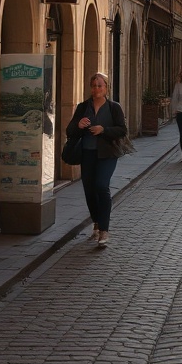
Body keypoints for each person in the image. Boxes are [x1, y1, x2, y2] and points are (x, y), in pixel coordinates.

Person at [66, 72, 127, 248]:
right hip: (87, 153)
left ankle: (104, 230)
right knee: (89, 191)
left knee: (101, 186)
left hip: (107, 154)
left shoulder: (114, 107)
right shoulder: (83, 107)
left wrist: (104, 130)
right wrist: (78, 125)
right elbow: (70, 131)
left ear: (106, 87)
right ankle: (96, 221)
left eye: (100, 85)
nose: (96, 88)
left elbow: (122, 130)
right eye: (94, 85)